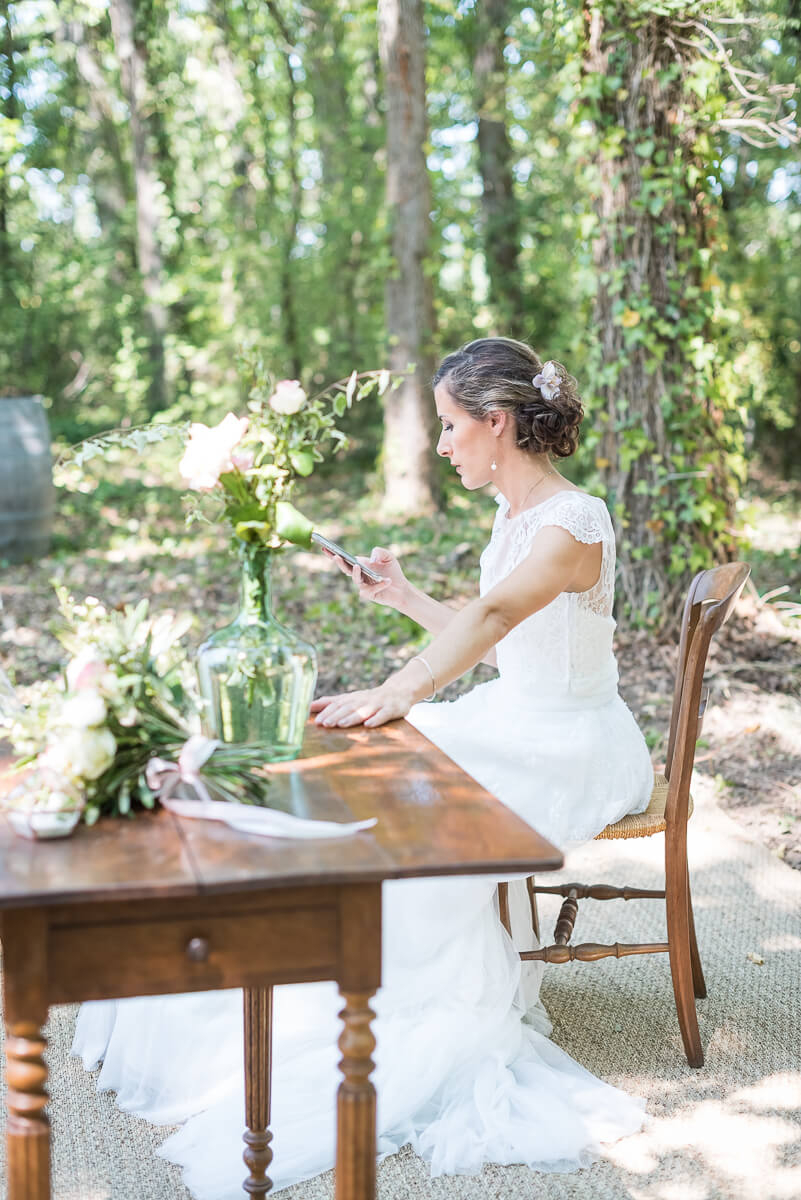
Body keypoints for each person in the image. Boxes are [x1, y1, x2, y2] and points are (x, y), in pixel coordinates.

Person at [72, 337, 654, 1199]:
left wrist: (400, 689)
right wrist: (403, 599)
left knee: (404, 794)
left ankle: (356, 987)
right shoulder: (518, 516)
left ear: (497, 424)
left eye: (452, 426)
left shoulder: (575, 521)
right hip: (520, 712)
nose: (444, 444)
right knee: (371, 764)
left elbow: (495, 615)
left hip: (570, 743)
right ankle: (305, 953)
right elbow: (506, 645)